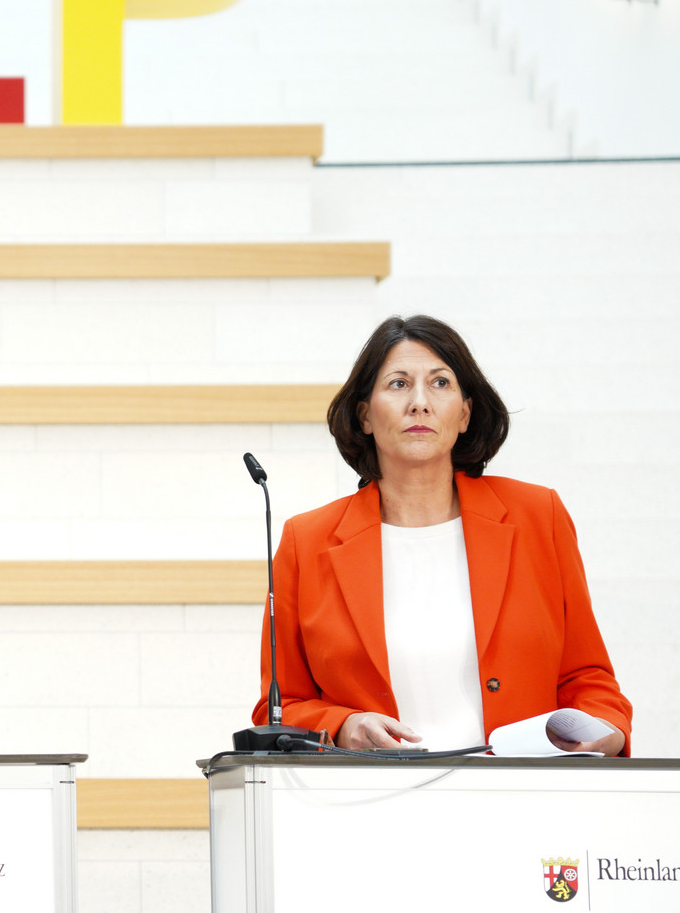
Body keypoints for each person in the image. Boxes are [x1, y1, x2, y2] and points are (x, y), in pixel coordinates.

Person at [255, 314, 631, 754]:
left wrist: (608, 729)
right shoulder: (308, 541)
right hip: (371, 803)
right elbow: (278, 711)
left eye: (440, 383)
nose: (419, 403)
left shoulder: (537, 516)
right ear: (365, 416)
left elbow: (588, 678)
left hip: (521, 798)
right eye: (398, 384)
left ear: (466, 413)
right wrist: (343, 725)